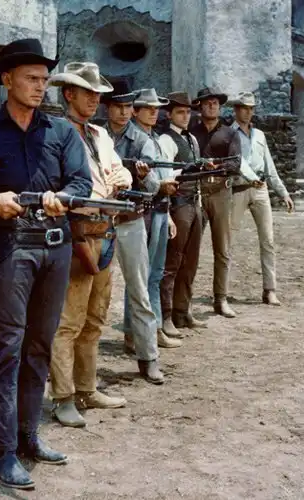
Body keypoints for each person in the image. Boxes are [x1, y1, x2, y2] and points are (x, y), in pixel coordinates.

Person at [0, 39, 92, 490]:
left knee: (40, 345)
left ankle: (28, 436)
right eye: (31, 79)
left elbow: (81, 182)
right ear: (7, 79)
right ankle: (1, 452)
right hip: (10, 249)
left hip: (56, 247)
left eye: (44, 80)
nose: (40, 87)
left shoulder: (62, 132)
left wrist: (64, 197)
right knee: (6, 348)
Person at [46, 63, 133, 427]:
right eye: (88, 93)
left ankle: (86, 388)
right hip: (76, 231)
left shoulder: (100, 134)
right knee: (68, 321)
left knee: (95, 318)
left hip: (105, 230)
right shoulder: (55, 132)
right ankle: (63, 396)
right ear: (69, 94)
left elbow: (120, 170)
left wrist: (122, 177)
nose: (95, 99)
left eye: (98, 94)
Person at [102, 79, 166, 384]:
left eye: (128, 106)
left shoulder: (142, 140)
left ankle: (148, 357)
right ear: (108, 107)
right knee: (87, 293)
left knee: (140, 291)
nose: (124, 112)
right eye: (118, 106)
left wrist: (142, 176)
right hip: (99, 221)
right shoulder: (96, 136)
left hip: (130, 220)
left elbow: (154, 187)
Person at [227, 92, 294, 305]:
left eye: (251, 108)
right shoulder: (228, 134)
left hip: (261, 190)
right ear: (236, 109)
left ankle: (270, 289)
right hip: (238, 189)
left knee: (268, 240)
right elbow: (236, 162)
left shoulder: (260, 136)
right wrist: (252, 178)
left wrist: (283, 192)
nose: (248, 112)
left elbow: (269, 167)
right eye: (244, 108)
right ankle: (222, 291)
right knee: (228, 240)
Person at [132, 88, 182, 349]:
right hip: (146, 210)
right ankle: (143, 332)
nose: (154, 112)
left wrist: (169, 210)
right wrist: (159, 186)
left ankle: (153, 328)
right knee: (144, 275)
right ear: (136, 111)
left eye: (156, 109)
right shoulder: (136, 139)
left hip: (161, 208)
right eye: (148, 108)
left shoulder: (154, 138)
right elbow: (145, 178)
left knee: (155, 273)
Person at [157, 91, 208, 335]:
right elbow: (166, 175)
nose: (185, 116)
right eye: (180, 112)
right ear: (169, 114)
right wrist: (168, 212)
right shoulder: (166, 140)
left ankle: (182, 311)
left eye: (188, 112)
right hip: (178, 205)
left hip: (195, 204)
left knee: (190, 261)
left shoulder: (192, 139)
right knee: (172, 262)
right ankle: (166, 315)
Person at [189, 86, 242, 318]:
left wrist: (214, 165)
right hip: (197, 191)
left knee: (222, 248)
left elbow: (235, 164)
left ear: (220, 107)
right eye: (207, 103)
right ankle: (185, 299)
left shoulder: (230, 134)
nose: (211, 106)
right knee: (190, 247)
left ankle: (221, 298)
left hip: (221, 191)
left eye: (215, 103)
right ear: (200, 106)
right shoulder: (191, 132)